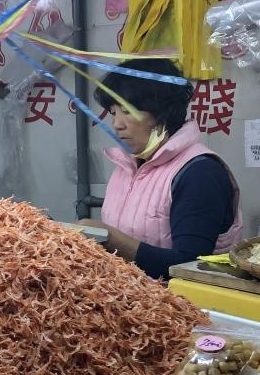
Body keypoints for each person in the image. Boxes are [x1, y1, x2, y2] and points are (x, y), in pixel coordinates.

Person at [78, 59, 242, 280]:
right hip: (127, 296)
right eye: (113, 112)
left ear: (161, 114)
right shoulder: (127, 165)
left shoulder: (200, 173)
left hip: (178, 301)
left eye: (127, 111)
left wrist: (111, 239)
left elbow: (188, 265)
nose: (117, 124)